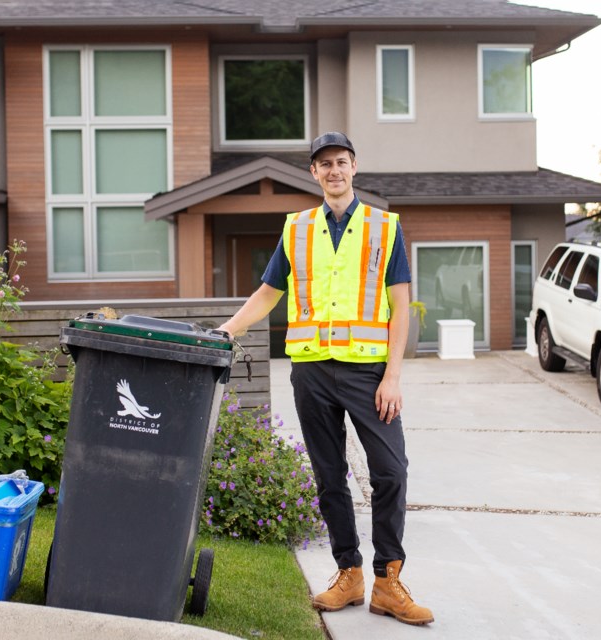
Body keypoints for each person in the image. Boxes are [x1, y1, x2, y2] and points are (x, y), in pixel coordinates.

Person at [218, 132, 433, 626]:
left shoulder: (384, 227)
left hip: (368, 372)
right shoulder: (296, 229)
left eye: (341, 162)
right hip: (311, 371)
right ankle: (349, 574)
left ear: (354, 167)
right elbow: (269, 293)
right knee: (329, 475)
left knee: (390, 472)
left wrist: (393, 376)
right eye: (323, 164)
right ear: (313, 173)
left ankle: (388, 582)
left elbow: (401, 307)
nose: (333, 171)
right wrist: (228, 329)